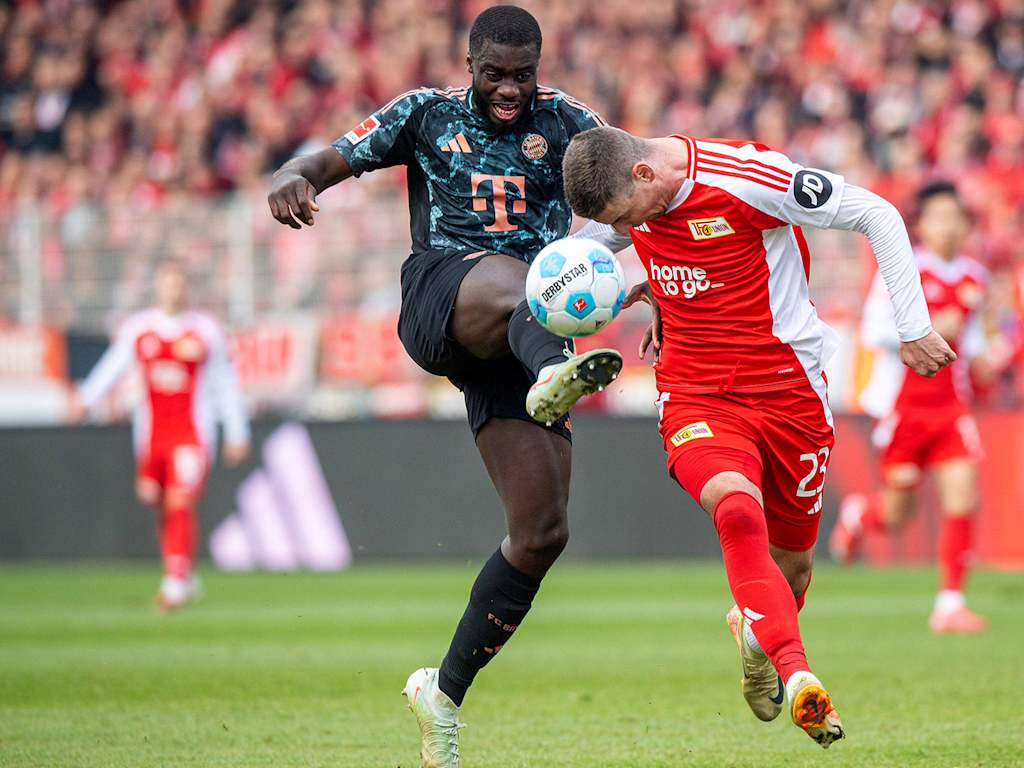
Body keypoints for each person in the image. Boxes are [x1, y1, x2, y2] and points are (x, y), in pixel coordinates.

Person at [267, 7, 622, 765]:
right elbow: (336, 156)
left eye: (522, 74)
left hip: (517, 338)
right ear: (471, 65)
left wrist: (652, 287)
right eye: (496, 74)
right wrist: (293, 174)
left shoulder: (570, 125)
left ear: (538, 65)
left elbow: (630, 203)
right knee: (524, 281)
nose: (510, 89)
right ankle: (555, 370)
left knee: (541, 531)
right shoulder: (425, 114)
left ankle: (444, 691)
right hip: (445, 296)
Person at [561, 126, 956, 748]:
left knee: (793, 570)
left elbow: (877, 214)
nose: (626, 231)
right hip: (694, 389)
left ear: (644, 175)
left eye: (625, 218)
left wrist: (912, 326)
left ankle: (755, 632)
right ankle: (800, 679)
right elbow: (586, 252)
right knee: (736, 508)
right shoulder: (630, 207)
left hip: (789, 392)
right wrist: (632, 286)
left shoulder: (748, 179)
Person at [830, 181, 989, 634]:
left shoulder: (975, 275)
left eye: (956, 218)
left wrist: (981, 355)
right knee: (900, 513)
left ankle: (950, 604)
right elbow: (876, 332)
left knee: (964, 494)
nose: (949, 227)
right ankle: (861, 515)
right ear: (922, 225)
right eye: (940, 218)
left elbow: (970, 338)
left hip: (950, 407)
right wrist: (931, 327)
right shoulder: (903, 269)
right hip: (904, 407)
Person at [68, 259, 250, 610]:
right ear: (157, 287)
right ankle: (183, 572)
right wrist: (86, 398)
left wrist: (236, 431)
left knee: (181, 500)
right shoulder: (140, 328)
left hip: (194, 434)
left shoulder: (205, 330)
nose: (173, 289)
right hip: (152, 436)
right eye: (168, 283)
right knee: (157, 501)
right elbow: (114, 366)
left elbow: (225, 383)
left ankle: (176, 583)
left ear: (187, 287)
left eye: (179, 283)